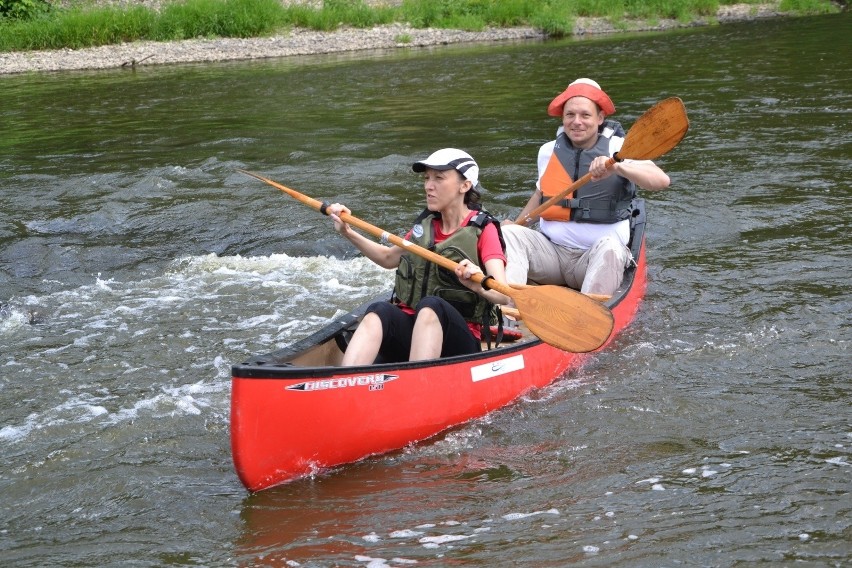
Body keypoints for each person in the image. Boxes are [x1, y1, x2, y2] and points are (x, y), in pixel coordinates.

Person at [326, 148, 509, 366]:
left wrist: (479, 285)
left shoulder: (483, 229)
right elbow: (388, 258)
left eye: (439, 178)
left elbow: (504, 295)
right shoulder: (426, 226)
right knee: (379, 310)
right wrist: (347, 232)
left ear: (465, 185)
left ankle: (417, 384)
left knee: (432, 305)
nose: (428, 186)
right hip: (413, 336)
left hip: (458, 344)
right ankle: (348, 382)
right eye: (427, 178)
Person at [502, 78, 670, 296]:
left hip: (595, 258)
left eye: (585, 115)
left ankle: (587, 316)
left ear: (600, 118)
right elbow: (541, 196)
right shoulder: (547, 151)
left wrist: (618, 167)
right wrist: (517, 225)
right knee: (508, 233)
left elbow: (661, 181)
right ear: (563, 118)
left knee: (610, 247)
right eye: (570, 115)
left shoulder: (619, 148)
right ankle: (506, 311)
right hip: (552, 255)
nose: (577, 121)